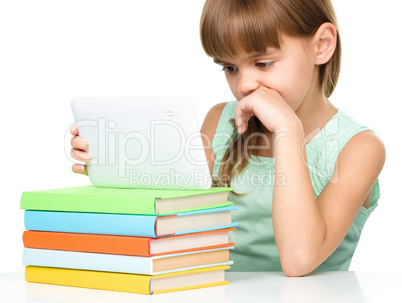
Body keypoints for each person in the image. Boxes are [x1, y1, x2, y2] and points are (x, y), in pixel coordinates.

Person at [70, 0, 386, 277]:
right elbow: (174, 227)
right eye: (230, 67)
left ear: (321, 45)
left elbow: (299, 260)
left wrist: (287, 130)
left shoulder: (358, 149)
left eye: (263, 63)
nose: (245, 84)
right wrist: (116, 167)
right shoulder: (220, 122)